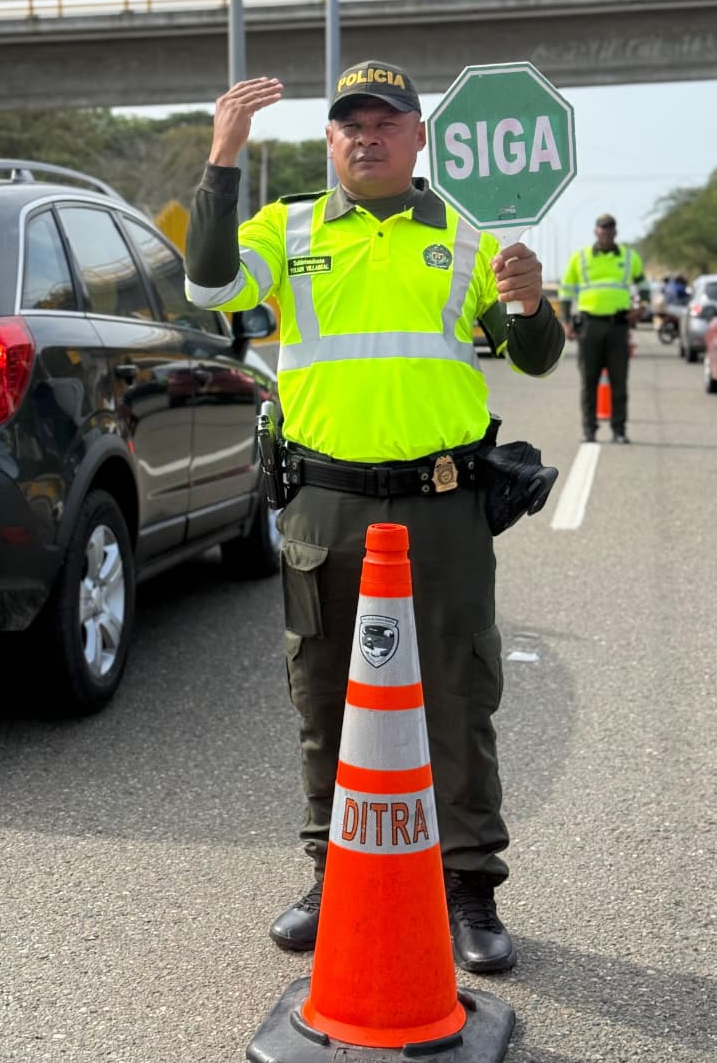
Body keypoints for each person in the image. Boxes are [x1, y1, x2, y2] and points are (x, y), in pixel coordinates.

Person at [184, 61, 564, 974]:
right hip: (325, 503)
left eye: (386, 121)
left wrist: (527, 298)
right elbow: (209, 289)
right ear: (330, 139)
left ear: (417, 136)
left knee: (459, 694)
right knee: (323, 691)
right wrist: (223, 159)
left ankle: (467, 885)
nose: (368, 135)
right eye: (350, 122)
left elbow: (540, 359)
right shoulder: (290, 226)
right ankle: (332, 871)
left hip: (443, 505)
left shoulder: (469, 236)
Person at [559, 214, 645, 443]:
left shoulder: (628, 256)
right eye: (602, 228)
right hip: (590, 326)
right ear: (595, 231)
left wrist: (642, 307)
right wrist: (567, 321)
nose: (606, 232)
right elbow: (566, 292)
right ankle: (589, 430)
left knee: (619, 381)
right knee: (589, 382)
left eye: (610, 228)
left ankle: (619, 430)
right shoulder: (580, 258)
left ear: (615, 232)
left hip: (618, 326)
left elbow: (643, 285)